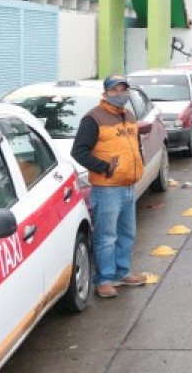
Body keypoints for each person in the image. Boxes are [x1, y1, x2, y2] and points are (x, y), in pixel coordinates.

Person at [71, 75, 147, 299]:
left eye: (123, 89)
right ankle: (104, 280)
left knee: (127, 234)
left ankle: (122, 273)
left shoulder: (129, 115)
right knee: (106, 236)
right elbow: (79, 152)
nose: (120, 94)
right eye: (114, 90)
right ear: (105, 93)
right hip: (107, 188)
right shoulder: (93, 118)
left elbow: (135, 145)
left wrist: (138, 164)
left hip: (128, 185)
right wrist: (105, 168)